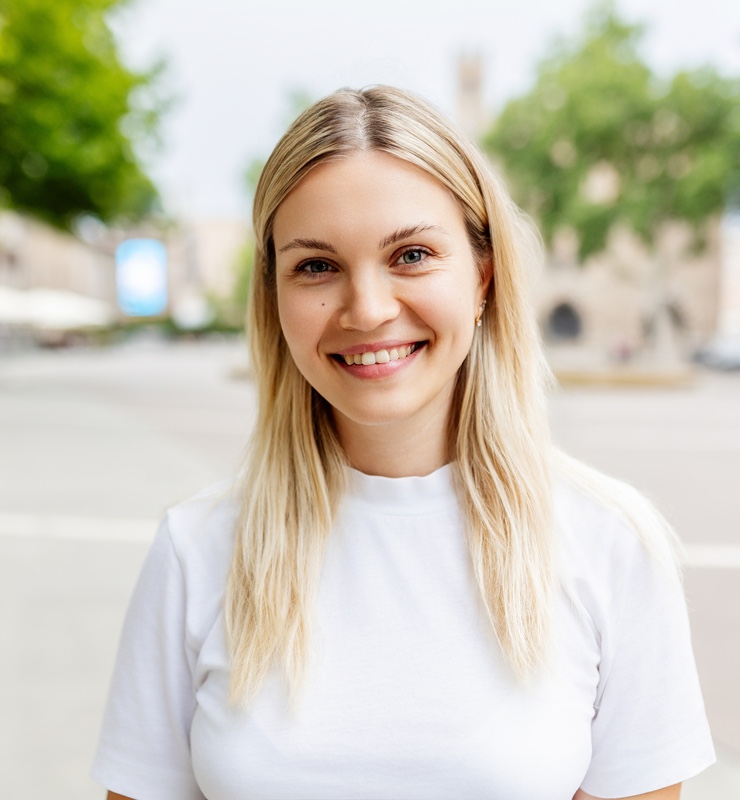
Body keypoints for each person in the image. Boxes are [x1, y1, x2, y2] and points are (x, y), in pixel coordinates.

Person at [92, 86, 715, 800]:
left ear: (482, 276)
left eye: (412, 254)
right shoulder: (195, 550)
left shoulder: (611, 543)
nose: (369, 308)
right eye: (317, 266)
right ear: (273, 297)